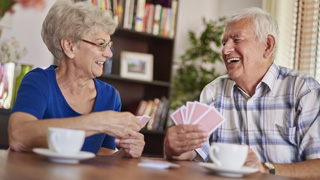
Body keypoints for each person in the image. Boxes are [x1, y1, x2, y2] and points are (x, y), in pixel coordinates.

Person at [164, 7, 320, 179]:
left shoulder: (303, 90)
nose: (225, 50)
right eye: (224, 43)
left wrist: (266, 169)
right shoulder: (213, 92)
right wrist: (175, 148)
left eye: (236, 40)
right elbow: (192, 154)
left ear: (267, 45)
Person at [8, 0, 145, 158]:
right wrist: (100, 121)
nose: (109, 53)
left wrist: (125, 153)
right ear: (69, 46)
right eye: (101, 44)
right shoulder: (38, 82)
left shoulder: (110, 96)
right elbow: (18, 136)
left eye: (109, 44)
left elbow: (104, 155)